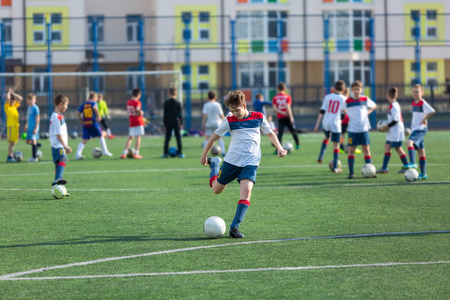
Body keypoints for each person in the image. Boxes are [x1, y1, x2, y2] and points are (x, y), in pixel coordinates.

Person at [200, 90, 287, 238]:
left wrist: (279, 147)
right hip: (232, 161)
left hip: (251, 162)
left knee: (246, 193)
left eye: (237, 110)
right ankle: (215, 165)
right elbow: (214, 137)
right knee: (216, 190)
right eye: (232, 111)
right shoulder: (230, 120)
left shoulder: (258, 117)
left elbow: (270, 133)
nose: (235, 113)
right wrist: (204, 155)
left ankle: (234, 227)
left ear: (244, 105)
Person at [342, 80, 377, 179]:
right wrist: (347, 114)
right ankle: (351, 172)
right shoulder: (348, 101)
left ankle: (370, 171)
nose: (357, 91)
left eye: (358, 89)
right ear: (352, 90)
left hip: (364, 128)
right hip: (352, 130)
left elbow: (374, 106)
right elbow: (342, 108)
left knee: (366, 149)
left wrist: (368, 112)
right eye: (355, 89)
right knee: (351, 150)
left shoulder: (365, 99)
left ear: (361, 90)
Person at [403, 84, 435, 180]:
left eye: (417, 91)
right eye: (414, 92)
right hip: (415, 129)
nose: (415, 93)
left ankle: (413, 163)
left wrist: (424, 119)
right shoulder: (414, 103)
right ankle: (423, 174)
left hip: (420, 129)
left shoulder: (422, 102)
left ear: (422, 92)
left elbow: (432, 111)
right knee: (421, 152)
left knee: (409, 142)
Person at [314, 80, 347, 172]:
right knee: (336, 145)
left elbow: (322, 111)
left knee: (326, 137)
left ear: (334, 88)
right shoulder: (344, 99)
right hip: (335, 124)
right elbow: (344, 113)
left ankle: (321, 156)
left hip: (326, 122)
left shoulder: (328, 97)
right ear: (343, 89)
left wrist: (317, 125)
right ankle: (335, 167)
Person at [376, 87, 409, 174]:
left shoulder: (394, 106)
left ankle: (407, 166)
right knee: (387, 147)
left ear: (387, 96)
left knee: (398, 148)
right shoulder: (394, 104)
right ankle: (384, 168)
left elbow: (395, 120)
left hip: (396, 131)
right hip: (392, 131)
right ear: (396, 95)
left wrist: (386, 126)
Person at [75, 91, 113, 159]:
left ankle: (77, 154)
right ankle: (105, 151)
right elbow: (95, 108)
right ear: (94, 98)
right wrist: (98, 116)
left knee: (85, 139)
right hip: (93, 123)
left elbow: (77, 112)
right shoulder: (93, 103)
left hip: (86, 124)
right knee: (101, 135)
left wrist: (81, 119)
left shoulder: (84, 104)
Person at [49, 94, 72, 192]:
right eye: (66, 105)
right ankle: (58, 179)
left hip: (58, 144)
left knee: (59, 163)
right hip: (58, 144)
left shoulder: (59, 116)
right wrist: (65, 146)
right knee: (63, 158)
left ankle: (57, 186)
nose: (67, 107)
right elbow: (58, 134)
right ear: (60, 104)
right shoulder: (56, 117)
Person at [272, 82, 300, 151]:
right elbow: (288, 107)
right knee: (293, 131)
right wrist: (291, 117)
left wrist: (282, 112)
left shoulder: (275, 98)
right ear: (285, 89)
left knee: (280, 134)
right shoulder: (288, 97)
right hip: (287, 117)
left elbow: (275, 109)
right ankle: (297, 144)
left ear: (277, 89)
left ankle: (277, 149)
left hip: (280, 118)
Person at [120, 88, 145, 159]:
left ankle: (124, 153)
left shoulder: (129, 102)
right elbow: (137, 109)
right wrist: (141, 112)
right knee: (138, 137)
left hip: (132, 121)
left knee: (130, 138)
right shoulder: (138, 102)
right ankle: (136, 153)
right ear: (138, 95)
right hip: (138, 121)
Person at [162, 87, 184, 158]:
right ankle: (180, 153)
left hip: (168, 121)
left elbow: (165, 114)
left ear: (169, 93)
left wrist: (164, 124)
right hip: (176, 122)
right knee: (178, 138)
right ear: (176, 93)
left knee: (167, 138)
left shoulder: (166, 103)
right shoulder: (178, 103)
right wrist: (181, 123)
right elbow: (180, 114)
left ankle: (165, 153)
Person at [202, 90, 225, 156]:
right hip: (217, 124)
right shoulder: (217, 105)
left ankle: (205, 153)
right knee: (219, 138)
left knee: (207, 138)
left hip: (209, 124)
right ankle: (223, 152)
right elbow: (221, 115)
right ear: (215, 97)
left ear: (208, 97)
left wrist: (203, 124)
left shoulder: (206, 105)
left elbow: (204, 115)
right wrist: (224, 123)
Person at [5, 89, 23, 163]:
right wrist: (9, 93)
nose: (12, 102)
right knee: (11, 142)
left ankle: (10, 156)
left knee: (14, 142)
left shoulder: (15, 106)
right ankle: (9, 156)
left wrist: (14, 93)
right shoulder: (7, 107)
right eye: (11, 101)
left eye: (13, 101)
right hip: (11, 126)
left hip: (16, 127)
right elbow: (8, 98)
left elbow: (20, 98)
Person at [24, 93, 41, 162]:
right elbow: (28, 117)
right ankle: (37, 145)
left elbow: (38, 118)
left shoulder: (35, 108)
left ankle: (34, 157)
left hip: (34, 127)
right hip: (29, 127)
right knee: (27, 141)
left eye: (31, 100)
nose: (30, 101)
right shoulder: (29, 107)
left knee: (33, 141)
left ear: (35, 100)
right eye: (29, 100)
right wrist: (26, 125)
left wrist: (36, 128)